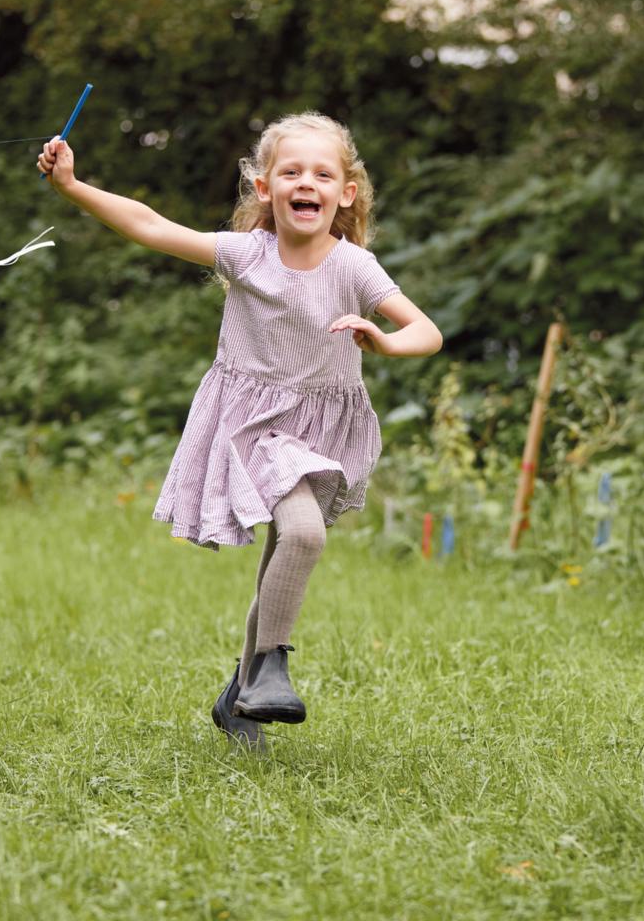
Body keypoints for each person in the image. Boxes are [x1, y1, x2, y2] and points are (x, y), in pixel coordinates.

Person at [37, 113, 442, 749]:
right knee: (304, 535)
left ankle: (240, 700)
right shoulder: (247, 254)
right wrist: (73, 186)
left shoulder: (355, 266)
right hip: (253, 427)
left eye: (322, 174)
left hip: (321, 430)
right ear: (264, 189)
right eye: (291, 172)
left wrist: (385, 342)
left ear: (345, 194)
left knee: (283, 557)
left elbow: (427, 331)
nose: (306, 182)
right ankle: (269, 667)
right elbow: (150, 225)